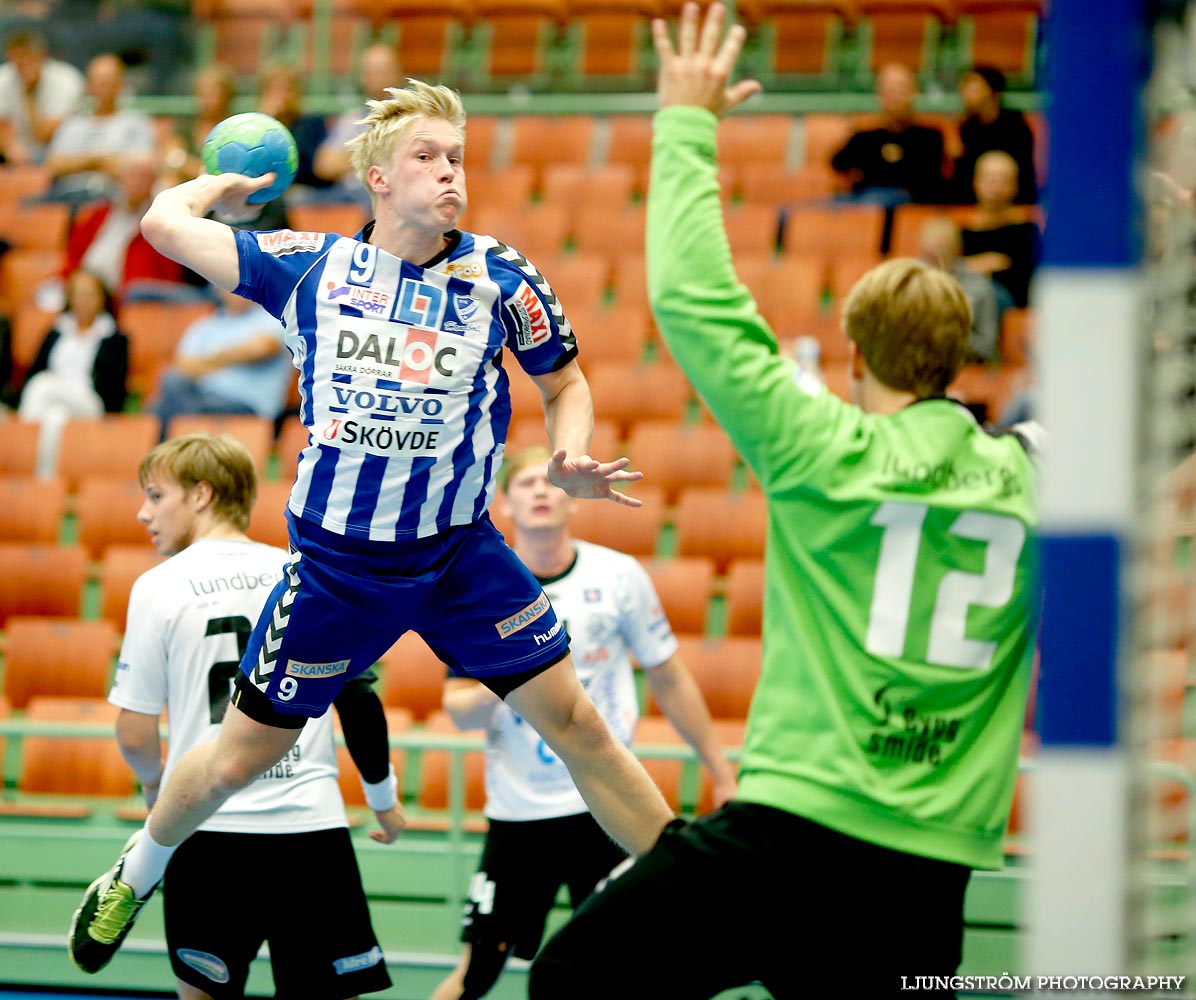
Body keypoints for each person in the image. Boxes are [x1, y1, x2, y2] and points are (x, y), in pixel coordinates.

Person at [69, 77, 675, 976]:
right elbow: (162, 225)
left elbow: (565, 383)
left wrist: (568, 453)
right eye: (425, 158)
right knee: (236, 759)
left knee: (580, 725)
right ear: (378, 180)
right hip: (338, 569)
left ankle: (696, 896)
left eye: (456, 158)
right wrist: (218, 187)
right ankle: (138, 866)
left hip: (461, 554)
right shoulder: (308, 264)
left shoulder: (502, 276)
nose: (448, 174)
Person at [528, 6, 1041, 999]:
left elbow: (693, 301)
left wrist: (684, 123)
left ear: (851, 357)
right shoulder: (1032, 475)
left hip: (793, 835)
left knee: (574, 981)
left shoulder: (820, 446)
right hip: (928, 875)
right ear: (960, 359)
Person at [429, 445, 738, 1000]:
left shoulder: (617, 575)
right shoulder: (482, 592)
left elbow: (668, 677)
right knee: (476, 972)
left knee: (640, 965)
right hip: (519, 812)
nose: (541, 492)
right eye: (525, 484)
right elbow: (455, 709)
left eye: (548, 484)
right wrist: (524, 672)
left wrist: (719, 768)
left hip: (604, 804)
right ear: (503, 502)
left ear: (572, 500)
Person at [104, 432, 402, 998]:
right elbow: (359, 700)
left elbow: (134, 730)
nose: (143, 513)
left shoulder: (158, 586)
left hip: (207, 829)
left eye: (155, 495)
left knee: (203, 994)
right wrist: (384, 804)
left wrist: (155, 787)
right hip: (310, 830)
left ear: (201, 495)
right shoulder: (306, 576)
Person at [17, 268, 128, 476]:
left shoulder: (114, 337)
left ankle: (22, 444)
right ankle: (45, 480)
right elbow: (35, 367)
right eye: (77, 293)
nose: (81, 300)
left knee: (41, 385)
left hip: (90, 401)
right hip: (52, 399)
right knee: (55, 418)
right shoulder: (57, 330)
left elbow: (114, 386)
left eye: (88, 294)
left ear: (101, 298)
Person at [150, 283, 292, 439]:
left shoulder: (272, 317)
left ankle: (181, 449)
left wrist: (207, 363)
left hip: (245, 405)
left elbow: (262, 349)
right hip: (200, 397)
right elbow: (182, 367)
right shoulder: (205, 325)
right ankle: (186, 447)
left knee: (167, 407)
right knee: (158, 403)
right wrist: (231, 357)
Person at [59, 151, 196, 306]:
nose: (138, 182)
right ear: (120, 178)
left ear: (153, 183)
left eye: (145, 177)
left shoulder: (160, 222)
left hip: (126, 296)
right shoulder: (97, 214)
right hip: (84, 287)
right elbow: (73, 256)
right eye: (133, 174)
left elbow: (168, 276)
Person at [42, 51, 154, 206]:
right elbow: (54, 165)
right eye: (98, 81)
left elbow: (135, 170)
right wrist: (98, 160)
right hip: (66, 197)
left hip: (110, 199)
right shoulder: (73, 123)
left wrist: (77, 162)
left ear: (120, 84)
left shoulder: (135, 124)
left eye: (108, 81)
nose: (103, 87)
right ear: (88, 86)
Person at [829, 62, 946, 206]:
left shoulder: (929, 137)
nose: (894, 94)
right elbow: (838, 163)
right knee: (803, 211)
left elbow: (926, 179)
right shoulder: (866, 135)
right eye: (888, 88)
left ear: (914, 93)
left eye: (901, 88)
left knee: (874, 200)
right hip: (861, 198)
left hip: (904, 201)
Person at [312, 43, 403, 208]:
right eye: (370, 70)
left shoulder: (408, 116)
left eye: (382, 69)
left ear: (396, 73)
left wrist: (350, 156)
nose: (376, 76)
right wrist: (369, 155)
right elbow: (323, 165)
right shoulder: (351, 116)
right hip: (345, 193)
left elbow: (399, 163)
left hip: (387, 193)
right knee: (297, 198)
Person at [960, 149, 1042, 310]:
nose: (996, 188)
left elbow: (1022, 276)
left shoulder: (1026, 231)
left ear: (1015, 186)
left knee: (981, 294)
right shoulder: (961, 232)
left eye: (1004, 180)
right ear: (976, 183)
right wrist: (988, 263)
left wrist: (969, 266)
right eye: (990, 180)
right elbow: (948, 269)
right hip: (964, 295)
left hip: (1002, 301)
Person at [951, 66, 1038, 205]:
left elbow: (1025, 174)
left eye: (974, 90)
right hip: (973, 201)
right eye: (964, 90)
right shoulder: (967, 128)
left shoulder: (1016, 126)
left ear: (993, 93)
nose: (966, 96)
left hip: (1013, 200)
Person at [919, 214, 1000, 364]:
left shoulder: (979, 288)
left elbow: (988, 349)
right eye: (928, 256)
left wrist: (951, 332)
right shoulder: (910, 285)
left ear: (957, 250)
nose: (934, 265)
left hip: (962, 368)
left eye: (942, 255)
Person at [0, 27, 84, 164]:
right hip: (15, 154)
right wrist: (11, 148)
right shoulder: (3, 78)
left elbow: (44, 136)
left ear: (42, 55)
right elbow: (3, 127)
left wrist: (29, 94)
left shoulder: (66, 79)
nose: (23, 65)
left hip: (60, 151)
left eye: (28, 57)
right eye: (16, 58)